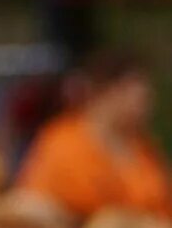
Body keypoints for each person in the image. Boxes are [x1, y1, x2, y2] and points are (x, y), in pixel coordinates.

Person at [17, 48, 171, 217]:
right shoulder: (63, 143)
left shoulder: (144, 150)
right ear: (108, 91)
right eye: (139, 94)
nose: (147, 104)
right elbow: (33, 207)